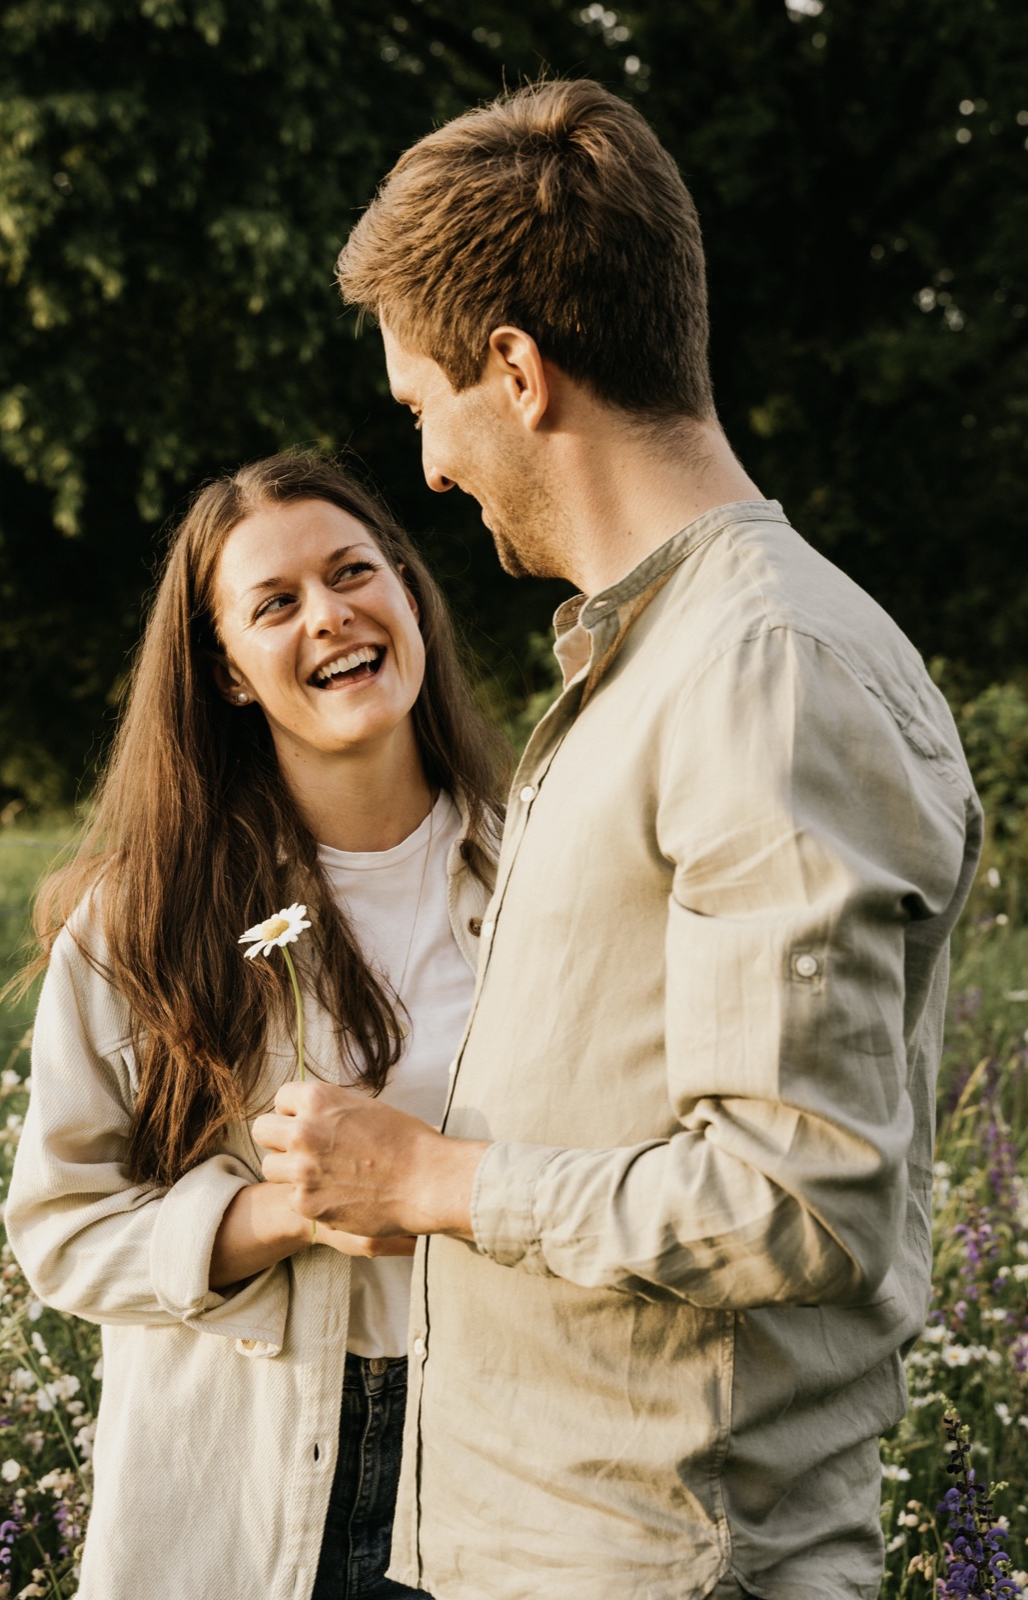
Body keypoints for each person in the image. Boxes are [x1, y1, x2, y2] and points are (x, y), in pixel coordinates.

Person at [253, 80, 984, 1600]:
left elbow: (795, 1198)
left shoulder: (764, 672)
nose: (431, 470)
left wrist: (432, 1182)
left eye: (420, 410)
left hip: (662, 1564)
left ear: (514, 369)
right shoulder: (650, 669)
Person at [4, 450, 504, 1600]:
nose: (329, 615)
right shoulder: (143, 918)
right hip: (248, 1470)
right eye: (274, 604)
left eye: (352, 572)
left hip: (497, 1455)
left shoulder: (543, 863)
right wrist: (282, 1212)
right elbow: (63, 1227)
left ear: (409, 596)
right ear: (228, 671)